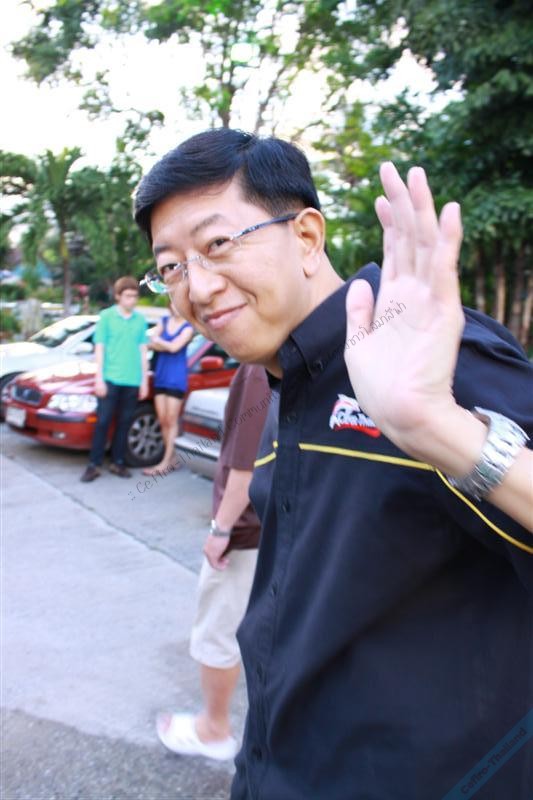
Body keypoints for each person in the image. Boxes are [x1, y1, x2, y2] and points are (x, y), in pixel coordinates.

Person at [133, 130, 532, 799]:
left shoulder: (427, 357)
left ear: (307, 236)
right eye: (170, 267)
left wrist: (436, 426)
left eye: (218, 244)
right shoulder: (281, 375)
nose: (197, 287)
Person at [156, 363, 270, 760]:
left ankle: (214, 731)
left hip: (246, 530)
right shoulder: (300, 356)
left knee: (217, 631)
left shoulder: (258, 370)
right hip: (274, 524)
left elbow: (245, 471)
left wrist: (221, 530)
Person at [80, 276, 148, 482]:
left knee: (124, 423)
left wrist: (144, 381)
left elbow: (143, 351)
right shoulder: (107, 317)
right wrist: (98, 378)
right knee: (103, 422)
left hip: (132, 380)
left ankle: (118, 462)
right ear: (118, 296)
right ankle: (94, 464)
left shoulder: (140, 320)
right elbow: (99, 348)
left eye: (134, 296)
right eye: (127, 296)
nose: (132, 300)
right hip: (109, 378)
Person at [143, 303, 194, 476]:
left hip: (176, 378)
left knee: (172, 420)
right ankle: (171, 458)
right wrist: (164, 344)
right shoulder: (164, 320)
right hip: (161, 376)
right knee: (163, 420)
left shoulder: (188, 327)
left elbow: (174, 348)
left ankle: (165, 462)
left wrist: (159, 342)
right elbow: (153, 344)